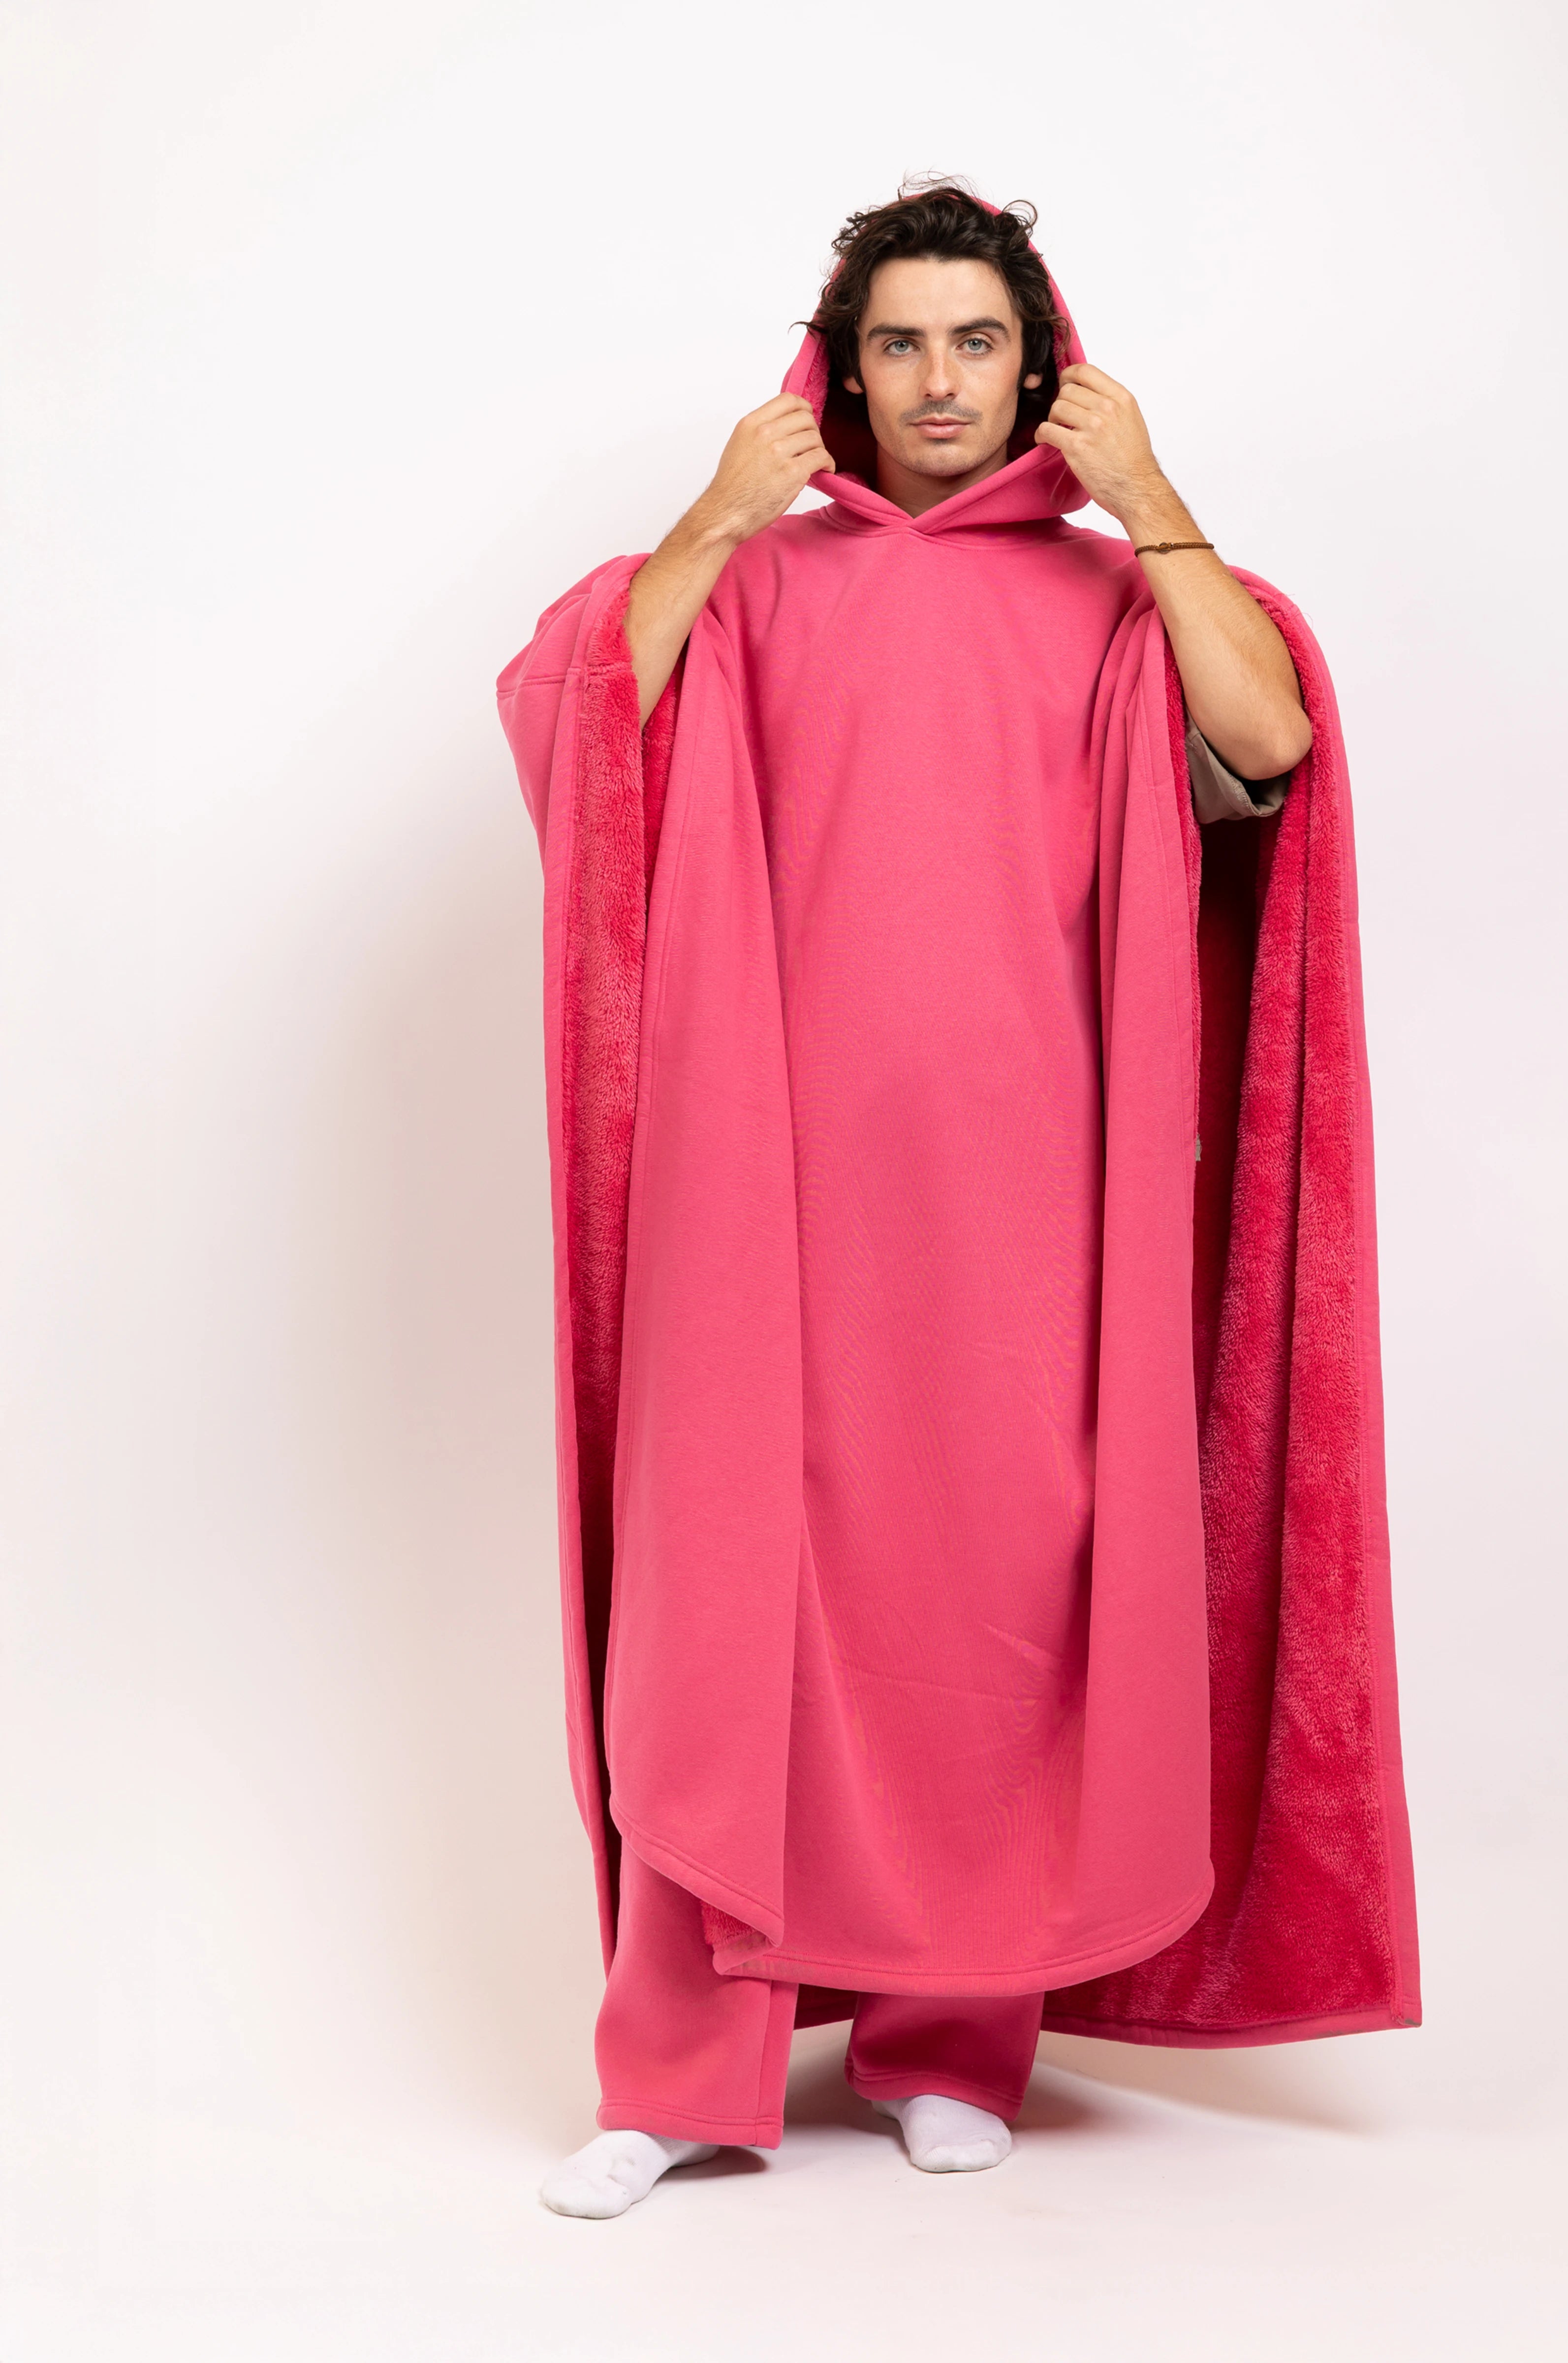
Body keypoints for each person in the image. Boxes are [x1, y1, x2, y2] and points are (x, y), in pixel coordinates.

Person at [498, 182, 1418, 2223]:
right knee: (724, 1602)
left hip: (1028, 1198)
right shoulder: (747, 584)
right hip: (763, 1179)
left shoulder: (1113, 598)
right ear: (838, 371)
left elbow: (1270, 733)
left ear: (1040, 367)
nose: (937, 382)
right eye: (898, 343)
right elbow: (581, 729)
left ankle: (945, 2040)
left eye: (976, 343)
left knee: (992, 1605)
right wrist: (714, 516)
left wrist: (1154, 499)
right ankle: (680, 2074)